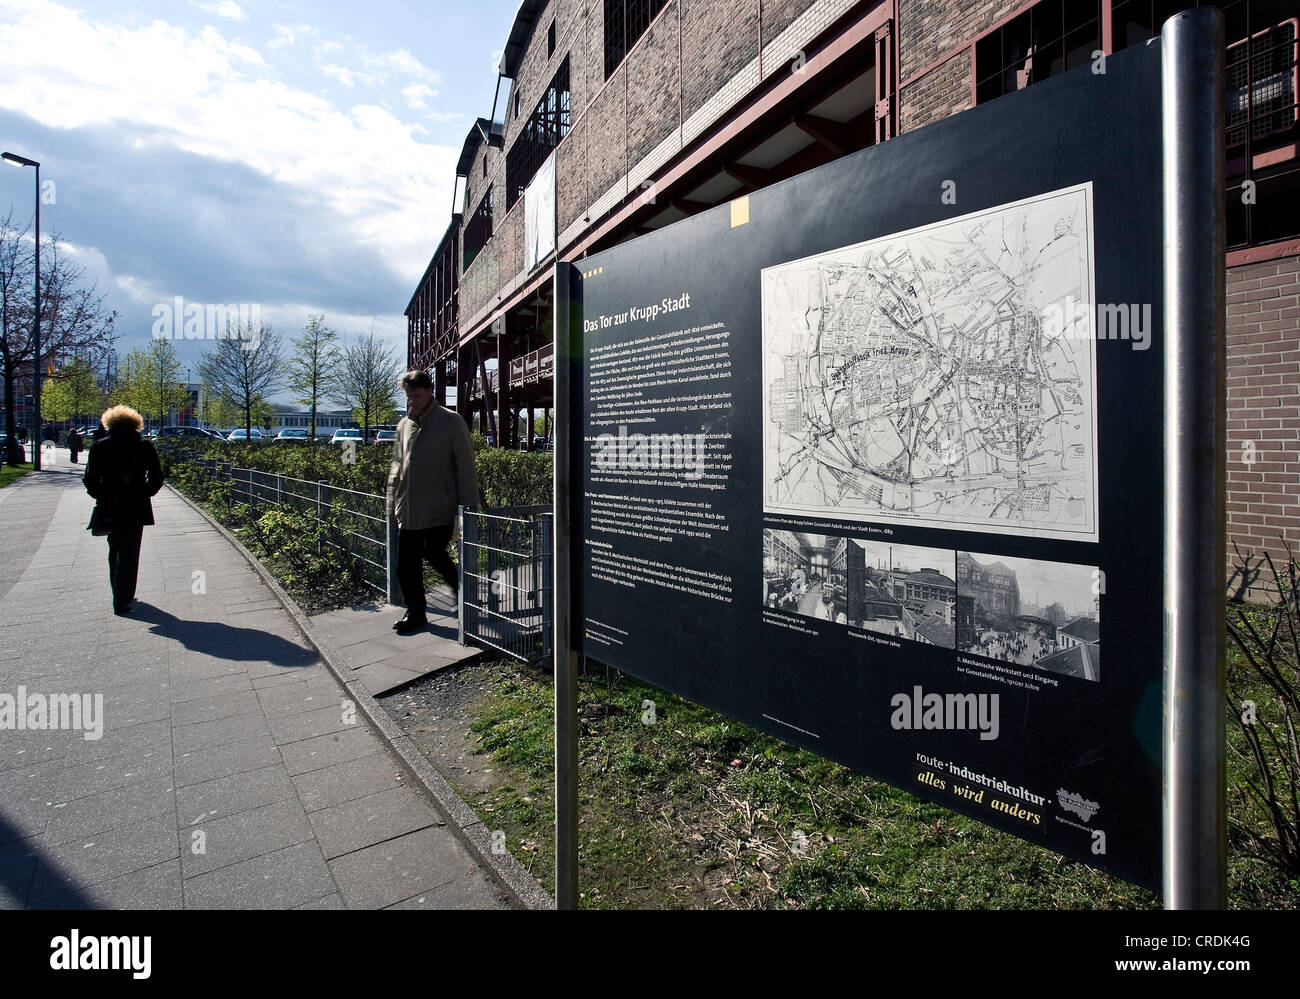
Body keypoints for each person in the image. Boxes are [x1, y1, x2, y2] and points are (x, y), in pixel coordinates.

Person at [386, 370, 478, 633]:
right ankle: (416, 613)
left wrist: (468, 508)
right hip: (410, 508)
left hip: (441, 505)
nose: (412, 401)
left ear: (429, 392)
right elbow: (396, 466)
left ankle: (464, 594)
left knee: (434, 553)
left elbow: (465, 468)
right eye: (408, 396)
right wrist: (391, 502)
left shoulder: (451, 422)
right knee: (405, 566)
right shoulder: (404, 425)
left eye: (416, 395)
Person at [83, 405, 165, 614]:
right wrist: (145, 492)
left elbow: (90, 479)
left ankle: (118, 592)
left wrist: (101, 495)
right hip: (136, 505)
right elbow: (157, 477)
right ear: (135, 424)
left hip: (111, 504)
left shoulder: (100, 447)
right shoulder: (144, 446)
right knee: (131, 551)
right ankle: (123, 596)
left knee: (115, 550)